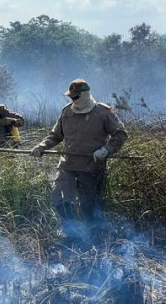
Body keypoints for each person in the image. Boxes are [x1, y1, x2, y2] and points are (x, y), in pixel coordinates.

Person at [31, 78, 128, 248]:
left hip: (91, 168)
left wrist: (106, 150)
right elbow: (55, 136)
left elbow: (120, 134)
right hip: (67, 165)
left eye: (76, 96)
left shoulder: (103, 113)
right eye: (71, 96)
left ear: (85, 95)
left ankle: (94, 239)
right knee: (59, 199)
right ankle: (71, 233)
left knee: (88, 206)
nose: (72, 99)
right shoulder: (66, 112)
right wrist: (41, 146)